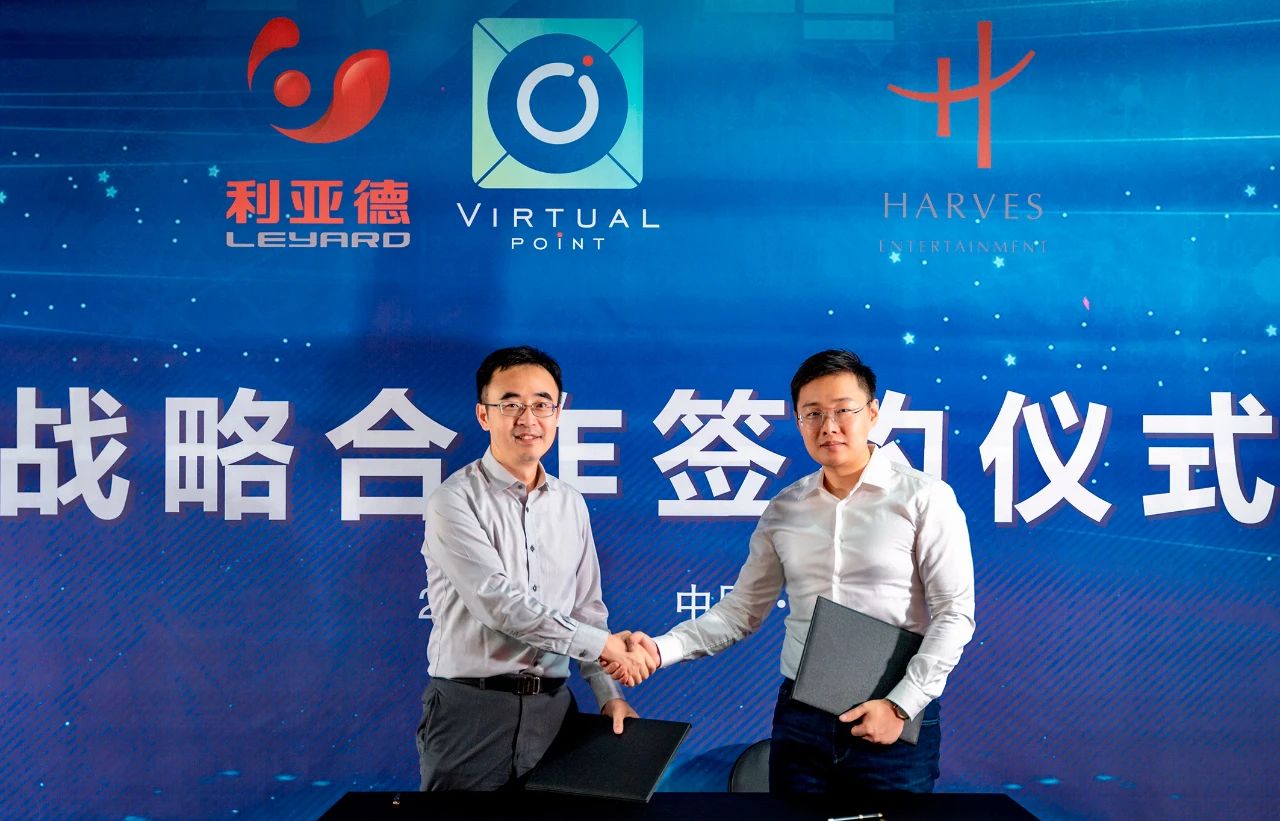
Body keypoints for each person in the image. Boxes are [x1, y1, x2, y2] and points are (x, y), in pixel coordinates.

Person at [618, 349, 975, 794]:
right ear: (798, 421)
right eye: (813, 413)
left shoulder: (924, 498)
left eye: (843, 410)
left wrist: (901, 706)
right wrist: (659, 650)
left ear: (873, 413)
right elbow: (741, 611)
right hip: (802, 720)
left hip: (893, 717)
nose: (829, 426)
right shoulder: (785, 509)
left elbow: (954, 613)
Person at [416, 345, 653, 791]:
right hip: (471, 714)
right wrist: (605, 645)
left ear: (558, 412)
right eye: (511, 405)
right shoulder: (454, 500)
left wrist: (609, 696)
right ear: (484, 415)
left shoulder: (570, 504)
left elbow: (587, 611)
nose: (528, 419)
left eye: (542, 404)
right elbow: (499, 604)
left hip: (555, 714)